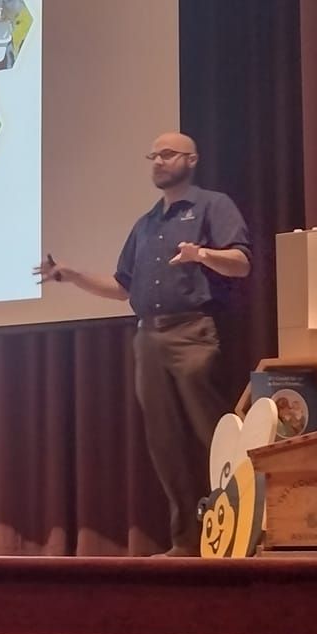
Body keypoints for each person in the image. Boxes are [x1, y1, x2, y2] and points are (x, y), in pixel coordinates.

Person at [36, 134, 251, 555]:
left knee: (214, 433)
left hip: (192, 332)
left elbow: (242, 264)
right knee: (164, 442)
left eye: (168, 154)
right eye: (153, 155)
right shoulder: (147, 224)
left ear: (191, 159)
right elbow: (122, 288)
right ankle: (186, 541)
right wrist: (72, 275)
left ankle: (243, 533)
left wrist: (202, 255)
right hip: (147, 337)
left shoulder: (212, 205)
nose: (158, 161)